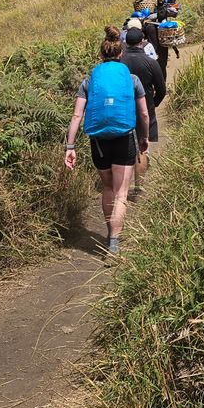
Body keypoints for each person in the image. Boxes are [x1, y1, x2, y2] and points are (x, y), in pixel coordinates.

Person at [64, 25, 149, 256]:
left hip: (99, 141)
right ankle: (113, 243)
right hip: (124, 138)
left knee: (108, 187)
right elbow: (143, 114)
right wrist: (145, 138)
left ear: (101, 55)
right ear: (120, 54)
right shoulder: (131, 79)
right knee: (122, 192)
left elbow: (77, 115)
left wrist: (70, 147)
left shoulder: (89, 81)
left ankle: (109, 230)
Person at [122, 26, 166, 199]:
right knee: (142, 148)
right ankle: (139, 188)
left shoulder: (121, 62)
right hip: (145, 108)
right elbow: (161, 90)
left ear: (126, 42)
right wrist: (152, 105)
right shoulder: (151, 62)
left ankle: (120, 188)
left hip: (123, 110)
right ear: (142, 41)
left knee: (124, 149)